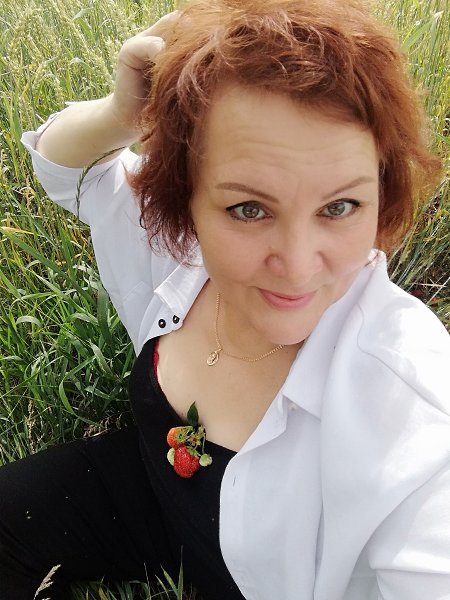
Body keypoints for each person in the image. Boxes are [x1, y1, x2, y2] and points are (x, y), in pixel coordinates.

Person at [3, 0, 449, 598]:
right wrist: (118, 115)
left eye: (339, 206)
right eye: (249, 209)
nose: (297, 266)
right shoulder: (181, 249)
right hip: (148, 491)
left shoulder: (414, 406)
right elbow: (68, 170)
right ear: (182, 198)